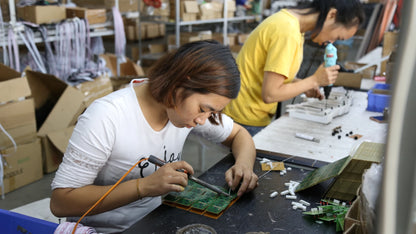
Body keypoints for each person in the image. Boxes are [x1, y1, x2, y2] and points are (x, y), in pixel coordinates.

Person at [50, 40, 258, 233]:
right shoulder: (106, 117)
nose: (203, 120)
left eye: (211, 113)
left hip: (155, 220)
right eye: (203, 109)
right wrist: (144, 186)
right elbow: (61, 202)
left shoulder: (181, 110)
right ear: (180, 84)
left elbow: (240, 134)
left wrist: (244, 166)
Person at [223, 0, 365, 136]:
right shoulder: (287, 31)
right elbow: (270, 94)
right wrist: (314, 80)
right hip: (243, 119)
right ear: (331, 15)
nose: (333, 42)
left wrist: (301, 85)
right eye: (338, 36)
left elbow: (270, 76)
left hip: (247, 115)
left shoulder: (291, 25)